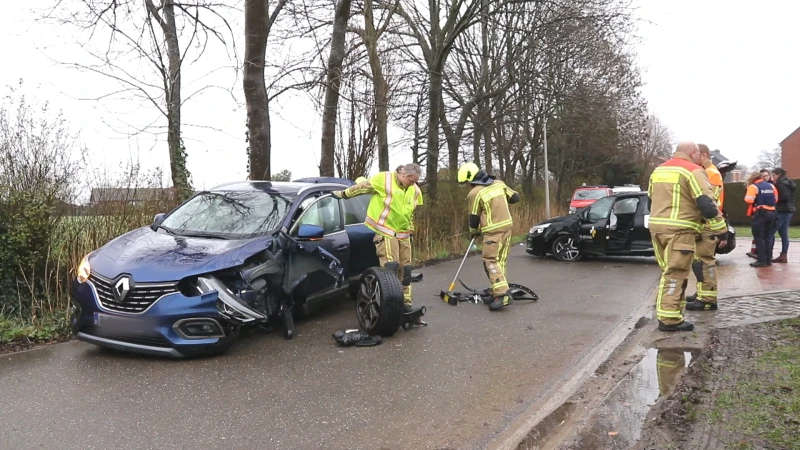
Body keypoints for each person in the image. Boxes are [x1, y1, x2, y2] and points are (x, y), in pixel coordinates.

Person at [647, 141, 728, 332]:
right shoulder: (693, 171)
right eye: (699, 154)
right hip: (680, 230)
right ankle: (670, 319)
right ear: (693, 153)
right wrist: (721, 228)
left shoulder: (658, 170)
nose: (700, 157)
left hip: (657, 228)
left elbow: (652, 196)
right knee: (676, 273)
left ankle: (669, 312)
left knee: (667, 271)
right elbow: (706, 204)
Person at [331, 164, 424, 312]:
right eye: (411, 180)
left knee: (406, 271)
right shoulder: (384, 179)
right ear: (401, 173)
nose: (413, 184)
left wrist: (410, 229)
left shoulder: (415, 190)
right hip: (385, 230)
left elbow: (412, 212)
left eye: (415, 181)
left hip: (403, 233)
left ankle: (405, 303)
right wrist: (343, 195)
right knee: (390, 268)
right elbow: (361, 188)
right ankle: (388, 304)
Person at [457, 162, 520, 311]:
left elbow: (473, 218)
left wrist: (473, 231)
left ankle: (503, 294)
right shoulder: (499, 184)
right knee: (501, 261)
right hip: (507, 227)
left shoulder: (474, 193)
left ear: (471, 180)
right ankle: (497, 291)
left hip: (493, 231)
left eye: (467, 183)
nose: (468, 186)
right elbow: (515, 197)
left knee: (490, 261)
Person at [685, 144, 727, 311]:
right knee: (699, 262)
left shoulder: (710, 174)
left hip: (707, 224)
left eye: (693, 155)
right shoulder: (707, 172)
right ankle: (702, 293)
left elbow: (709, 203)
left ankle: (708, 298)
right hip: (704, 224)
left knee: (705, 261)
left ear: (702, 155)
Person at [745, 170, 778, 267]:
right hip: (772, 212)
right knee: (768, 236)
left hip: (761, 213)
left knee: (759, 237)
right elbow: (776, 198)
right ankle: (768, 260)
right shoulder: (771, 186)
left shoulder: (753, 186)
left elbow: (748, 199)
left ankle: (761, 260)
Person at [771, 167, 796, 263]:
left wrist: (774, 199)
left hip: (782, 210)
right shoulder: (788, 182)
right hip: (789, 210)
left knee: (771, 232)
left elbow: (785, 197)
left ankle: (767, 255)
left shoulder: (781, 184)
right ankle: (783, 255)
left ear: (778, 174)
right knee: (783, 233)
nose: (773, 178)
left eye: (773, 175)